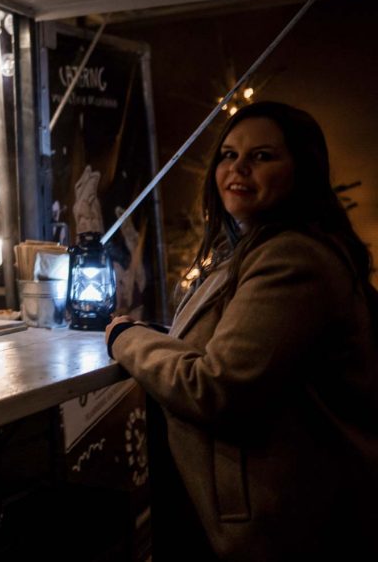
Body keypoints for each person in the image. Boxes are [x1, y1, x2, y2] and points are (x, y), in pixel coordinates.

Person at [104, 102, 378, 559]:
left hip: (282, 526)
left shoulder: (291, 258)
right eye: (228, 155)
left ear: (302, 169)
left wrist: (125, 339)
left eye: (262, 156)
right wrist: (155, 334)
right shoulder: (253, 248)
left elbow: (216, 386)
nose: (238, 169)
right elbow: (235, 338)